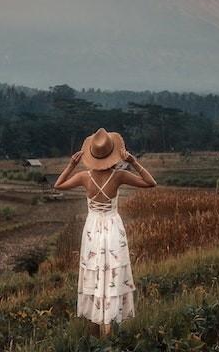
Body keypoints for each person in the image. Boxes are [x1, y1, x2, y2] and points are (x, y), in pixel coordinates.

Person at [54, 128, 157, 337]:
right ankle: (109, 327)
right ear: (113, 153)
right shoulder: (119, 176)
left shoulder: (84, 177)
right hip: (112, 228)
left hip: (92, 229)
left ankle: (94, 328)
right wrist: (134, 162)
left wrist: (72, 164)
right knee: (112, 272)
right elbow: (150, 182)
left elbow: (58, 185)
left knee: (94, 270)